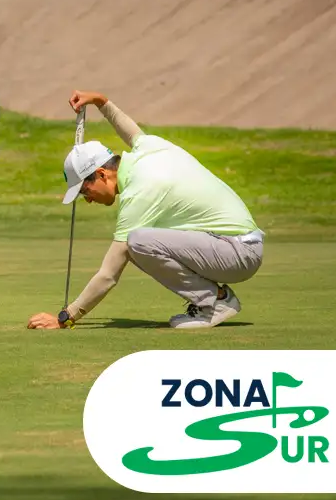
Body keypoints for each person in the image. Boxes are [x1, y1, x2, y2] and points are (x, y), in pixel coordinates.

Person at [28, 90, 264, 330]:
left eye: (84, 191)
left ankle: (215, 302)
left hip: (237, 253)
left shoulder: (139, 191)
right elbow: (129, 129)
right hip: (235, 246)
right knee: (139, 242)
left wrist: (65, 317)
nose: (88, 200)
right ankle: (213, 299)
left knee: (137, 242)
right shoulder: (148, 148)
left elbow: (108, 275)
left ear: (101, 174)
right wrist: (100, 102)